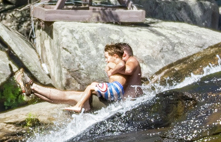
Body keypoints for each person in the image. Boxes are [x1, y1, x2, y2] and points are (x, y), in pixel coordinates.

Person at [15, 43, 143, 112]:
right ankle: (32, 89)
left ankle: (32, 85)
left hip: (114, 103)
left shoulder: (131, 60)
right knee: (64, 99)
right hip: (115, 101)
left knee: (67, 96)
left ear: (123, 54)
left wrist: (111, 71)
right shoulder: (124, 66)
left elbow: (129, 68)